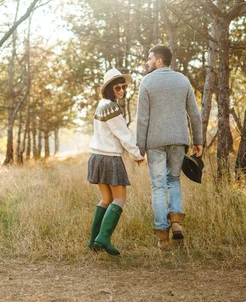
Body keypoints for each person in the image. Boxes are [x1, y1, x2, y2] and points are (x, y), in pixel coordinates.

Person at [136, 45, 203, 248]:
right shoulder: (182, 80)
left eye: (149, 58)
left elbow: (142, 119)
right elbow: (194, 114)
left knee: (158, 186)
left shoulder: (147, 82)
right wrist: (198, 140)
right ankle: (176, 222)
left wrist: (140, 147)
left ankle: (163, 238)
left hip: (154, 142)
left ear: (159, 61)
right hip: (178, 140)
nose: (147, 62)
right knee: (173, 180)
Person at [87, 68, 144, 256]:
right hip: (110, 158)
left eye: (123, 87)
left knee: (106, 199)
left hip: (97, 156)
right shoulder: (111, 107)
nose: (121, 91)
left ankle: (93, 241)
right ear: (109, 89)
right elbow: (123, 135)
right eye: (117, 88)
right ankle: (103, 238)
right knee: (119, 199)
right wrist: (137, 155)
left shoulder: (101, 104)